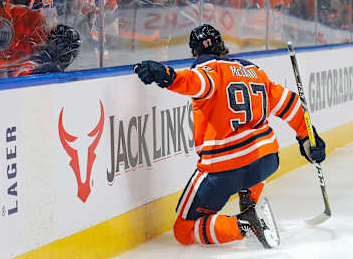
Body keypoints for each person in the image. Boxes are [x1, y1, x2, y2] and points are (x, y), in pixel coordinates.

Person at [133, 23, 326, 248]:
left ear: (195, 51)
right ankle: (249, 200)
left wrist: (167, 76)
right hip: (266, 160)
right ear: (222, 45)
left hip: (225, 168)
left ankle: (245, 225)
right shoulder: (254, 71)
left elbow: (196, 83)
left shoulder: (208, 68)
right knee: (256, 163)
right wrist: (307, 137)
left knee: (183, 232)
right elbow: (290, 103)